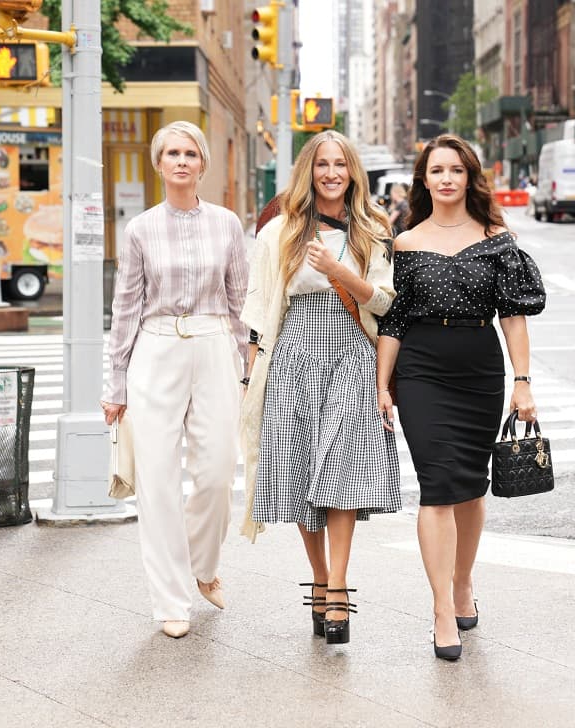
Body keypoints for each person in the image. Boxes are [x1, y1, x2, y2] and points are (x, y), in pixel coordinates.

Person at [376, 134, 546, 661]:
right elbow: (394, 320)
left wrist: (523, 382)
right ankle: (440, 610)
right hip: (422, 368)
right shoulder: (402, 243)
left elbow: (512, 317)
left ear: (470, 177)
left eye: (456, 170)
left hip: (478, 366)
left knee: (472, 489)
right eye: (436, 170)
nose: (446, 178)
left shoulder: (498, 238)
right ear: (423, 180)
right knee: (438, 486)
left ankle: (463, 582)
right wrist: (383, 384)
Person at [240, 130, 401, 645]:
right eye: (322, 164)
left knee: (340, 472)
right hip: (294, 357)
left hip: (351, 352)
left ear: (353, 171)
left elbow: (384, 303)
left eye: (341, 164)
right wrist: (250, 378)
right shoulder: (279, 232)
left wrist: (337, 271)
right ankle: (318, 575)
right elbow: (260, 311)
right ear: (308, 171)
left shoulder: (373, 229)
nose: (332, 173)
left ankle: (338, 587)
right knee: (302, 471)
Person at [101, 121, 248, 639]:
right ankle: (170, 599)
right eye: (172, 153)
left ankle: (203, 566)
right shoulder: (140, 229)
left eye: (190, 153)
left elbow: (238, 301)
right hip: (155, 348)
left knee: (214, 473)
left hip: (213, 345)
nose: (182, 161)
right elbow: (125, 310)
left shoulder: (228, 225)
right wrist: (114, 384)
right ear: (158, 163)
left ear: (202, 164)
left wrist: (247, 368)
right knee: (157, 481)